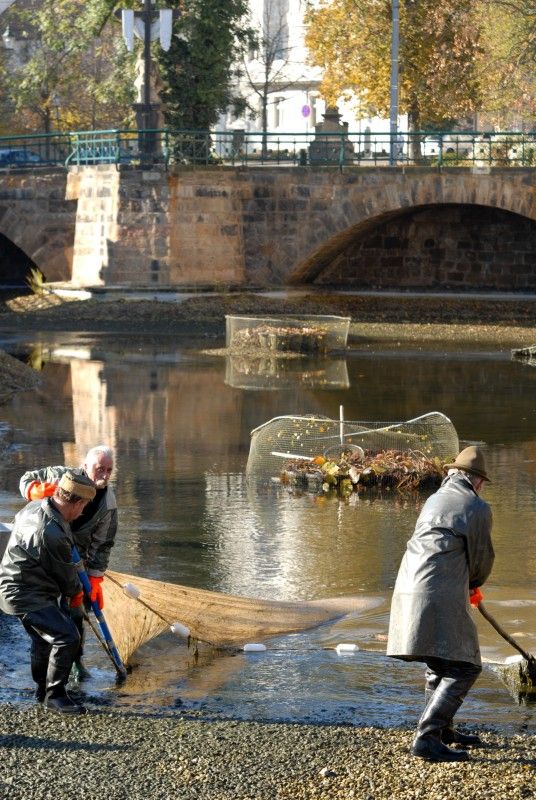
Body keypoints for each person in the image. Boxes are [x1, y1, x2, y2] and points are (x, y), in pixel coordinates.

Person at [387, 445, 495, 763]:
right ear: (476, 480)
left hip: (408, 585)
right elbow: (482, 559)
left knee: (439, 662)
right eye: (484, 482)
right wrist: (474, 585)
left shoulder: (434, 499)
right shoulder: (476, 506)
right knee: (466, 666)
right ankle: (427, 736)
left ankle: (444, 731)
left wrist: (467, 584)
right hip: (436, 590)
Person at [0, 471, 97, 714]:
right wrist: (80, 595)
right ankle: (55, 696)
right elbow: (66, 577)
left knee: (43, 639)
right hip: (23, 593)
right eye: (83, 505)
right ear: (75, 502)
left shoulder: (36, 506)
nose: (83, 512)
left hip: (17, 585)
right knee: (68, 637)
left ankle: (42, 689)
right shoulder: (50, 531)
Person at [19, 445, 117, 679]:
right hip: (43, 556)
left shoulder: (107, 504)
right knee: (45, 613)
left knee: (76, 612)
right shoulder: (61, 477)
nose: (103, 475)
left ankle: (76, 661)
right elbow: (26, 479)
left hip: (76, 563)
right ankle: (44, 675)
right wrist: (34, 490)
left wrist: (94, 579)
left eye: (109, 470)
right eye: (99, 469)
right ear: (84, 467)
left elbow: (103, 544)